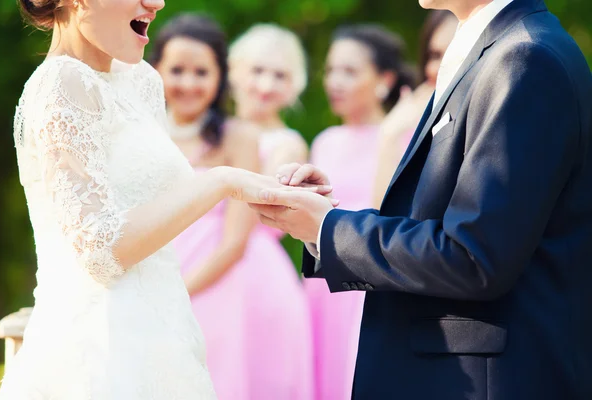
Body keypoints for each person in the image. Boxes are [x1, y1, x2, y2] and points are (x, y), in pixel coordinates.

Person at [251, 0, 592, 398]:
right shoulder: (498, 47)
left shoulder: (524, 58)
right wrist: (325, 219)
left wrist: (332, 229)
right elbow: (444, 220)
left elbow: (473, 257)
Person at [0, 0, 325, 398]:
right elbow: (100, 253)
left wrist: (274, 188)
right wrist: (223, 181)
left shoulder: (142, 81)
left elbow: (161, 204)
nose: (156, 3)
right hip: (99, 345)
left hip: (167, 332)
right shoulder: (60, 84)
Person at [151, 14, 259, 400]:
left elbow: (235, 243)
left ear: (219, 77)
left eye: (201, 72)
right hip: (146, 288)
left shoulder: (239, 138)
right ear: (156, 69)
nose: (189, 83)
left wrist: (177, 291)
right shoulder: (141, 135)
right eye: (177, 70)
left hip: (212, 290)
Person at [305, 24, 413, 400]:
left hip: (370, 280)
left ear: (383, 78)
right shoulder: (325, 142)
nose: (335, 81)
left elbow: (390, 215)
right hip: (321, 285)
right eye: (331, 70)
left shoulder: (404, 137)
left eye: (350, 71)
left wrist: (387, 140)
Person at [228, 23, 314, 400]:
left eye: (279, 75)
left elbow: (261, 202)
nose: (265, 84)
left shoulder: (288, 144)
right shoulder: (211, 132)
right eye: (257, 70)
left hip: (254, 273)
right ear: (234, 72)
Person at [372, 10, 457, 207]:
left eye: (454, 53)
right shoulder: (407, 125)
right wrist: (390, 134)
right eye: (435, 55)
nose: (438, 68)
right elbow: (382, 216)